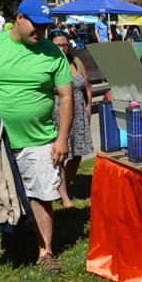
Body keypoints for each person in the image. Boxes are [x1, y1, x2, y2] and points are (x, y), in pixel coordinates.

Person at [0, 0, 73, 273]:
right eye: (36, 26)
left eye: (45, 27)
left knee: (42, 195)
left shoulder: (53, 53)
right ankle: (10, 236)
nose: (41, 32)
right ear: (18, 18)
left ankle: (46, 252)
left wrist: (62, 137)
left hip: (39, 138)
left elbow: (66, 97)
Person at [50, 31, 94, 208]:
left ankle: (61, 188)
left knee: (77, 155)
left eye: (65, 44)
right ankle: (65, 198)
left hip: (79, 114)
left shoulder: (76, 62)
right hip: (58, 113)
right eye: (58, 45)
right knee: (60, 155)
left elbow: (87, 88)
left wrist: (88, 111)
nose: (62, 47)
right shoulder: (48, 63)